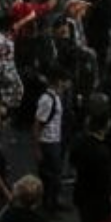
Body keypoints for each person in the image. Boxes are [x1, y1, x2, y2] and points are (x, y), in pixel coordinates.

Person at [31, 66, 68, 213]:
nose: (66, 85)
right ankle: (47, 206)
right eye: (65, 81)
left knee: (55, 176)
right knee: (49, 177)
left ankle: (53, 203)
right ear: (58, 81)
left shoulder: (56, 97)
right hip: (48, 143)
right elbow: (37, 124)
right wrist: (37, 148)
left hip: (54, 142)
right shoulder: (47, 100)